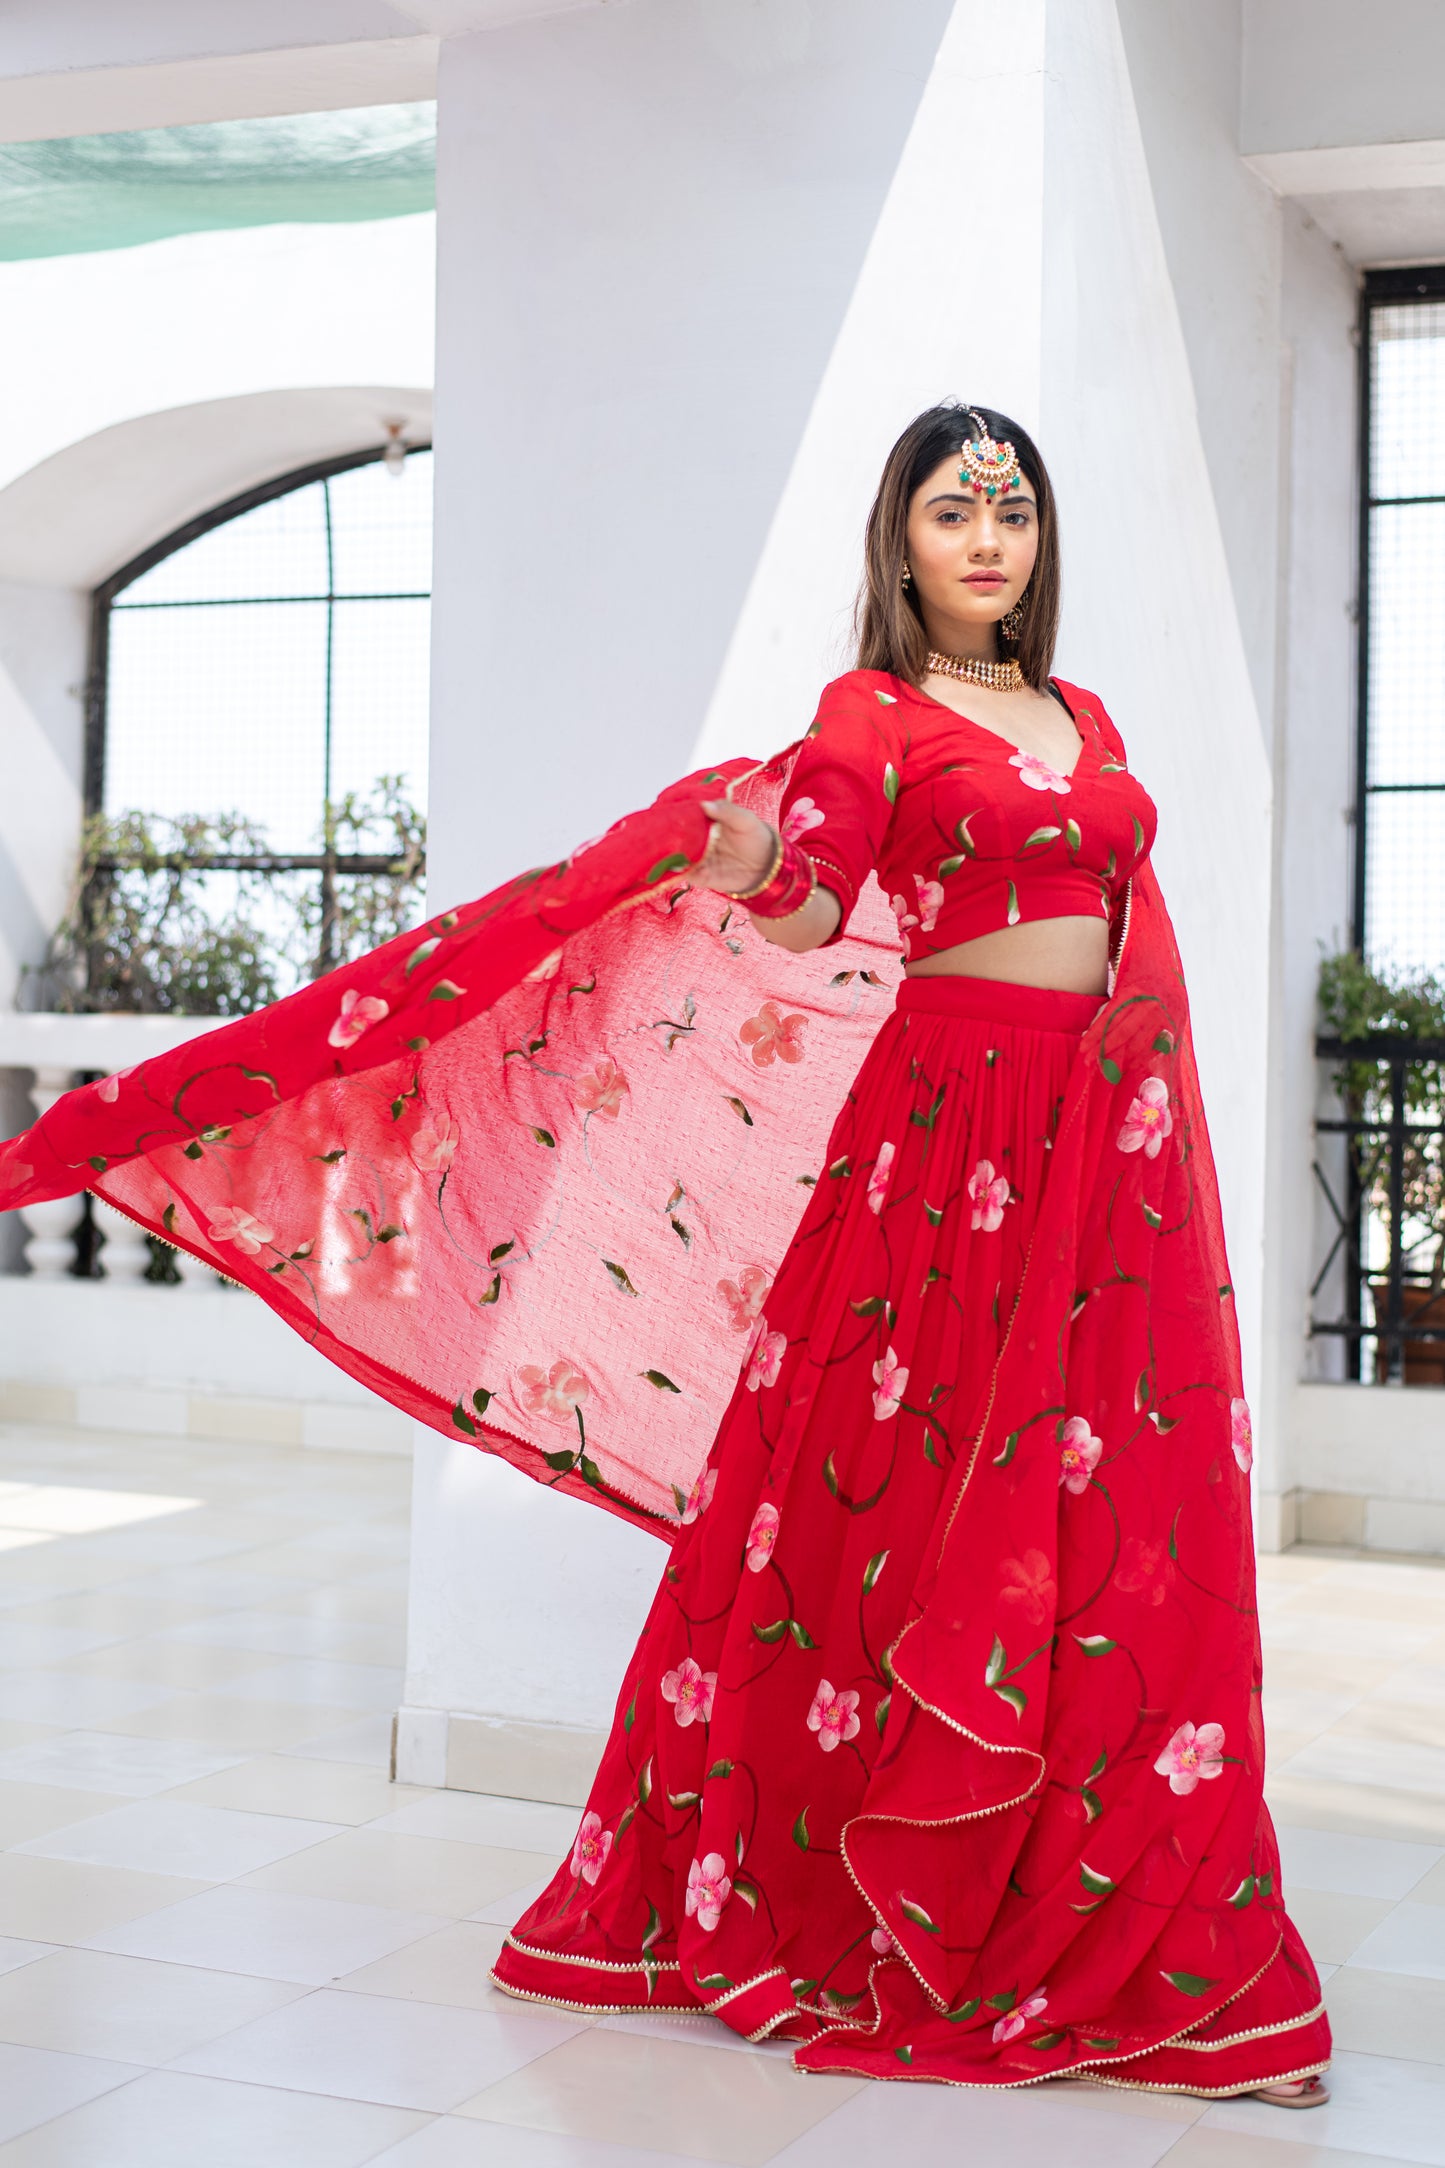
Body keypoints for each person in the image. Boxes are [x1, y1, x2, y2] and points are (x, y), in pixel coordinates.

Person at [1, 402, 1329, 2103]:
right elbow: (811, 904)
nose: (985, 537)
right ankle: (854, 1902)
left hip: (1099, 1152)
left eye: (1010, 508)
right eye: (949, 510)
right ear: (898, 540)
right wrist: (752, 862)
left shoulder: (1085, 715)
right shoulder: (872, 713)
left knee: (1102, 1527)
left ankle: (1124, 1939)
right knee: (894, 1524)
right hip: (943, 1157)